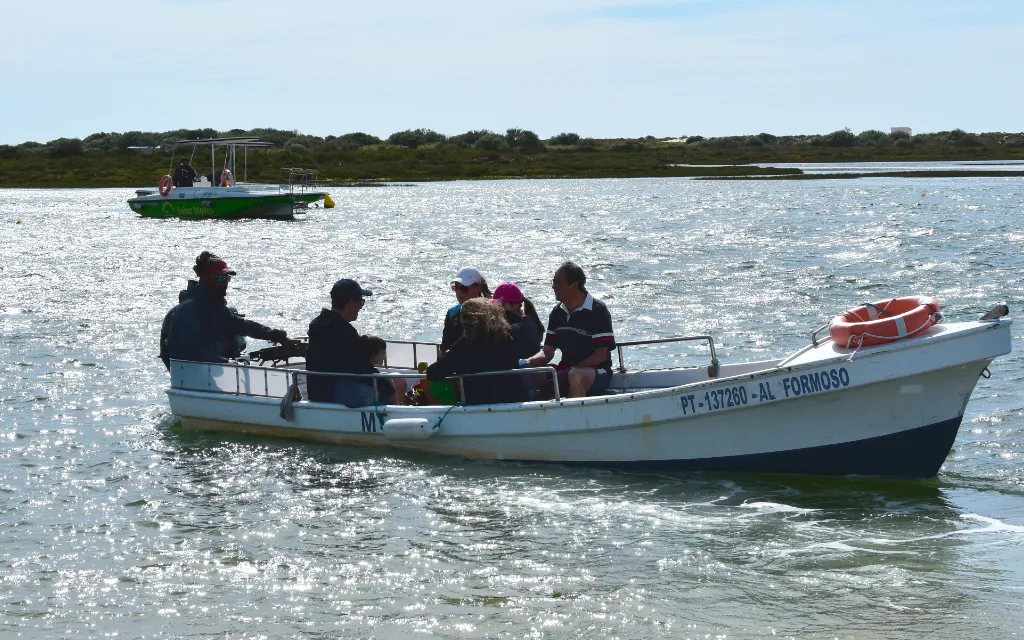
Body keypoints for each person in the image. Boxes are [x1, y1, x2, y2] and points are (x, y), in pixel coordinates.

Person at [161, 252, 297, 369]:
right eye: (221, 278)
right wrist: (225, 362)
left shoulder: (216, 307)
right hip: (193, 376)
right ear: (205, 279)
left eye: (227, 278)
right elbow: (191, 350)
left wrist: (279, 336)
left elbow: (244, 326)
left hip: (215, 372)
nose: (225, 282)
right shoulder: (188, 310)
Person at [522, 261, 616, 398]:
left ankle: (576, 417)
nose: (553, 287)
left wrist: (570, 370)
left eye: (558, 283)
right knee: (536, 373)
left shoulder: (597, 310)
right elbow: (547, 352)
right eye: (553, 282)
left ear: (574, 284)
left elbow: (600, 355)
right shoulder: (556, 313)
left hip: (596, 371)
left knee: (575, 375)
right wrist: (526, 362)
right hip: (566, 368)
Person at [427, 298, 525, 405]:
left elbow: (432, 373)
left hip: (480, 404)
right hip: (514, 401)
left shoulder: (466, 344)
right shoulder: (507, 337)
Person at [305, 278, 381, 407]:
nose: (360, 308)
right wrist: (385, 385)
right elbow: (359, 368)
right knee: (385, 388)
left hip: (316, 392)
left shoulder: (318, 325)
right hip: (336, 393)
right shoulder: (344, 332)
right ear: (350, 302)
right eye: (361, 303)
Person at [441, 266, 492, 353]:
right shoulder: (452, 313)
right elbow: (445, 346)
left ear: (478, 288)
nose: (459, 292)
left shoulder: (491, 313)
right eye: (456, 288)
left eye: (464, 288)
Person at [491, 282, 542, 359]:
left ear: (515, 305)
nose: (495, 308)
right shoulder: (532, 322)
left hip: (514, 370)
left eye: (499, 305)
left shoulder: (512, 329)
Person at [360, 334, 407, 405]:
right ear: (374, 355)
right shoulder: (379, 379)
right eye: (383, 353)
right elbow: (395, 403)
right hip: (377, 404)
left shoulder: (356, 368)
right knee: (399, 381)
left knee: (399, 380)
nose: (384, 357)